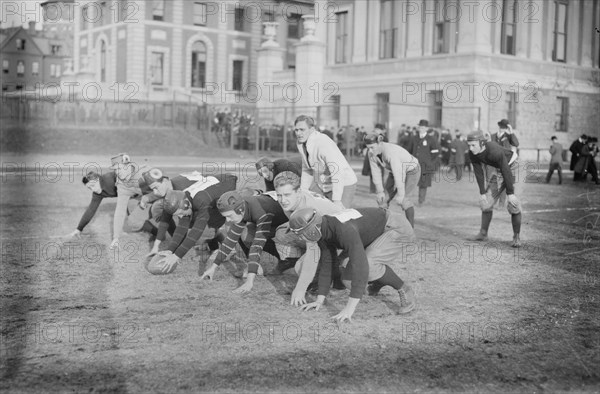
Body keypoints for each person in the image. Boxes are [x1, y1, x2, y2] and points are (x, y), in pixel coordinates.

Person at [289, 207, 417, 322]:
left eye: (301, 234)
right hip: (376, 231)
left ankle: (404, 288)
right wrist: (319, 300)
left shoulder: (343, 230)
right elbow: (327, 265)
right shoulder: (324, 229)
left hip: (395, 227)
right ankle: (379, 280)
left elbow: (360, 267)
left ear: (312, 230)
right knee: (347, 280)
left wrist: (348, 309)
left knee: (368, 264)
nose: (300, 239)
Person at [271, 171, 346, 300]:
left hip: (340, 240)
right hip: (321, 235)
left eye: (287, 195)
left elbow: (314, 247)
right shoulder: (291, 201)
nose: (283, 200)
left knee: (301, 267)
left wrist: (300, 287)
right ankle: (310, 266)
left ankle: (333, 271)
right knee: (281, 233)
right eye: (279, 195)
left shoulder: (308, 207)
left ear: (299, 192)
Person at [199, 191, 293, 293]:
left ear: (240, 210)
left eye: (229, 216)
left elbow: (257, 246)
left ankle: (291, 260)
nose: (228, 220)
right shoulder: (242, 207)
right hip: (275, 221)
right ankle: (283, 261)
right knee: (245, 235)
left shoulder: (261, 212)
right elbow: (230, 240)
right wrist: (213, 267)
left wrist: (249, 282)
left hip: (289, 224)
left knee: (277, 235)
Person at [152, 173, 238, 273]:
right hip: (212, 192)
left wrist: (176, 256)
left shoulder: (201, 200)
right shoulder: (184, 199)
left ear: (185, 205)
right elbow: (181, 228)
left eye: (179, 213)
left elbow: (196, 232)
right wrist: (170, 250)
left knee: (205, 231)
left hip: (228, 185)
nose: (180, 217)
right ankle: (219, 247)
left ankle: (231, 251)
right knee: (198, 226)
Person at [142, 168, 226, 255]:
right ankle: (212, 243)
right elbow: (165, 218)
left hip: (214, 200)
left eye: (156, 187)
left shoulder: (183, 189)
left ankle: (225, 248)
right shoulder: (170, 190)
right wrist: (156, 246)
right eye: (153, 189)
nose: (155, 192)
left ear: (165, 180)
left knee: (203, 227)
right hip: (204, 202)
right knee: (161, 208)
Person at [466, 130, 522, 248]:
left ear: (482, 143)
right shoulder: (472, 153)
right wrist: (482, 192)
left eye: (473, 145)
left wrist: (510, 193)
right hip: (498, 169)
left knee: (513, 204)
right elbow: (478, 173)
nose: (470, 148)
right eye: (469, 145)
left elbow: (506, 170)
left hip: (513, 167)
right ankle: (483, 233)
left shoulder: (493, 151)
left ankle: (516, 236)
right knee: (486, 202)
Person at [295, 115, 358, 208]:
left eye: (302, 129)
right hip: (325, 183)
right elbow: (307, 169)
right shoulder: (301, 143)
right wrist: (303, 191)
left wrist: (337, 200)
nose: (298, 133)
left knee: (339, 216)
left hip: (344, 182)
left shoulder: (322, 142)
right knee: (310, 208)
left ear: (312, 129)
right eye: (296, 130)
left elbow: (337, 171)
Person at [363, 131, 421, 227]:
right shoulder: (371, 154)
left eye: (372, 147)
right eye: (368, 148)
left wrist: (401, 194)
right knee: (383, 200)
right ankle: (383, 227)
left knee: (404, 200)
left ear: (380, 143)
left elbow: (399, 175)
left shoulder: (390, 152)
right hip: (396, 171)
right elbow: (375, 173)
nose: (370, 151)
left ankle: (411, 230)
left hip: (412, 170)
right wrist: (380, 191)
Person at [109, 153, 153, 249]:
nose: (117, 172)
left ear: (128, 166)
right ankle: (157, 232)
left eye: (119, 168)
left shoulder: (145, 173)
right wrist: (116, 238)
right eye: (115, 169)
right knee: (133, 221)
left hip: (154, 195)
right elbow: (120, 211)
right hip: (140, 196)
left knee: (165, 207)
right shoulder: (120, 183)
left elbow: (164, 191)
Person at [65, 171, 119, 239]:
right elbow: (91, 210)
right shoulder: (97, 193)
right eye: (90, 188)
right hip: (129, 195)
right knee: (133, 223)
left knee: (132, 221)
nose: (93, 189)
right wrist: (78, 229)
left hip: (133, 188)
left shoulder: (110, 179)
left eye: (93, 185)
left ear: (98, 179)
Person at [411, 119, 439, 205]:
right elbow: (409, 150)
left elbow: (435, 152)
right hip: (414, 164)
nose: (421, 129)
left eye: (423, 127)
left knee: (423, 183)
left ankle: (421, 200)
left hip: (425, 165)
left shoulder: (431, 139)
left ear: (427, 128)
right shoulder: (414, 138)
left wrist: (428, 161)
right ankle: (405, 198)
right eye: (420, 127)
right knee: (409, 181)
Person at [361, 124, 387, 194]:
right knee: (372, 173)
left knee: (380, 173)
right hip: (372, 156)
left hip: (380, 156)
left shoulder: (382, 137)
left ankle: (380, 189)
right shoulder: (371, 135)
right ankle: (373, 189)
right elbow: (364, 144)